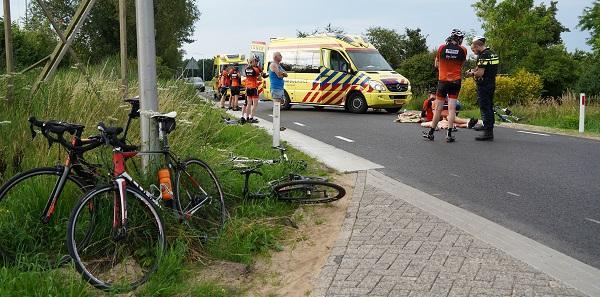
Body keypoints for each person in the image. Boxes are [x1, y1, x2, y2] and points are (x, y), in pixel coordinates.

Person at [423, 29, 467, 143]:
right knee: (452, 109)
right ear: (459, 39)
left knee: (438, 109)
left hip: (443, 81)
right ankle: (449, 134)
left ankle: (431, 133)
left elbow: (436, 64)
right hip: (456, 81)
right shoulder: (463, 50)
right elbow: (461, 65)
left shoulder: (442, 48)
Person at [467, 36, 499, 141]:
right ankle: (487, 125)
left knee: (485, 107)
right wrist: (475, 70)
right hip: (491, 82)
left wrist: (471, 73)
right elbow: (486, 68)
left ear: (477, 46)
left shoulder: (482, 56)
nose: (474, 51)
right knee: (489, 106)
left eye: (473, 49)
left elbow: (480, 73)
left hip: (484, 85)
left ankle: (488, 132)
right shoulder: (492, 53)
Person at [269, 52, 288, 146]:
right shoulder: (273, 65)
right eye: (280, 55)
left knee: (279, 106)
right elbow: (279, 75)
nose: (282, 57)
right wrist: (282, 74)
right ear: (276, 57)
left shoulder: (279, 65)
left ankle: (277, 125)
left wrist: (283, 73)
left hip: (280, 88)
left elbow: (286, 74)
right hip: (275, 88)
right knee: (276, 106)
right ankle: (276, 126)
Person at [241, 56, 263, 124]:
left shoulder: (246, 69)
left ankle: (246, 117)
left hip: (248, 87)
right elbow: (260, 78)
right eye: (255, 61)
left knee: (248, 103)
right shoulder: (255, 69)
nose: (256, 63)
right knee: (255, 104)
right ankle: (251, 117)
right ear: (252, 62)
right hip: (254, 87)